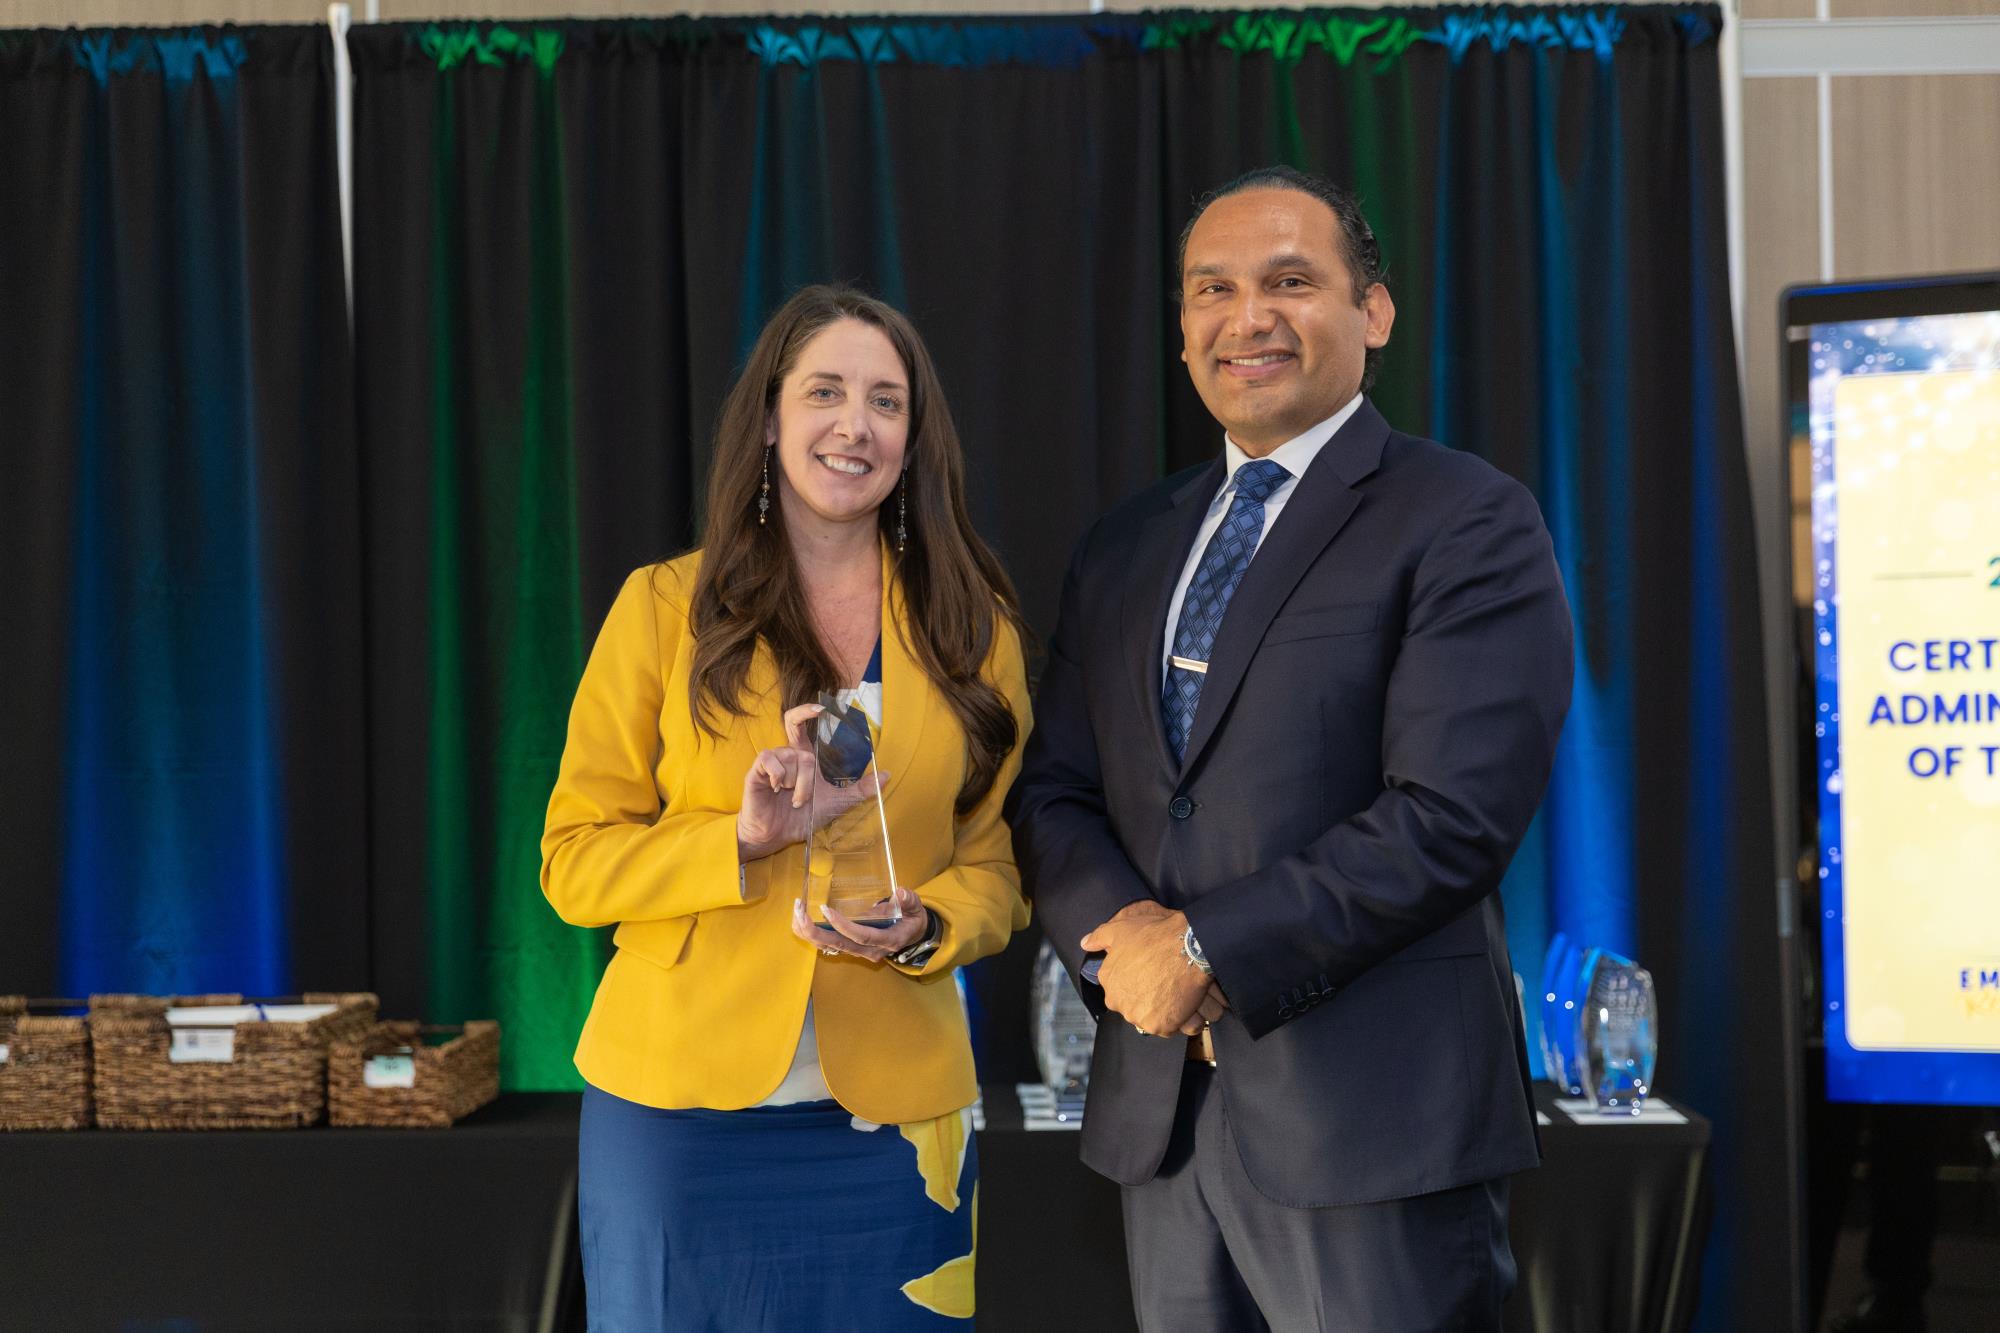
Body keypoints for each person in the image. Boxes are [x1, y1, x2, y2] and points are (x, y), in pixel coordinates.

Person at [1008, 166, 1574, 1331]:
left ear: (1373, 311)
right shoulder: (1124, 546)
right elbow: (1054, 792)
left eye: (1288, 281)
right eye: (1210, 289)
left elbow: (1448, 817)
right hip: (1162, 1120)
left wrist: (1205, 947)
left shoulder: (1465, 518)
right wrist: (1130, 957)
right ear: (1181, 330)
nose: (1246, 316)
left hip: (1374, 1123)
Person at [541, 284, 1032, 1332]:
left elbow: (998, 865)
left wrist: (929, 923)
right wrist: (740, 839)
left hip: (898, 1130)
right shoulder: (663, 608)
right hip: (676, 1121)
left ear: (913, 439)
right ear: (768, 418)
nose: (855, 424)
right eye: (824, 393)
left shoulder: (973, 628)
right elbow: (573, 861)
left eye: (886, 401)